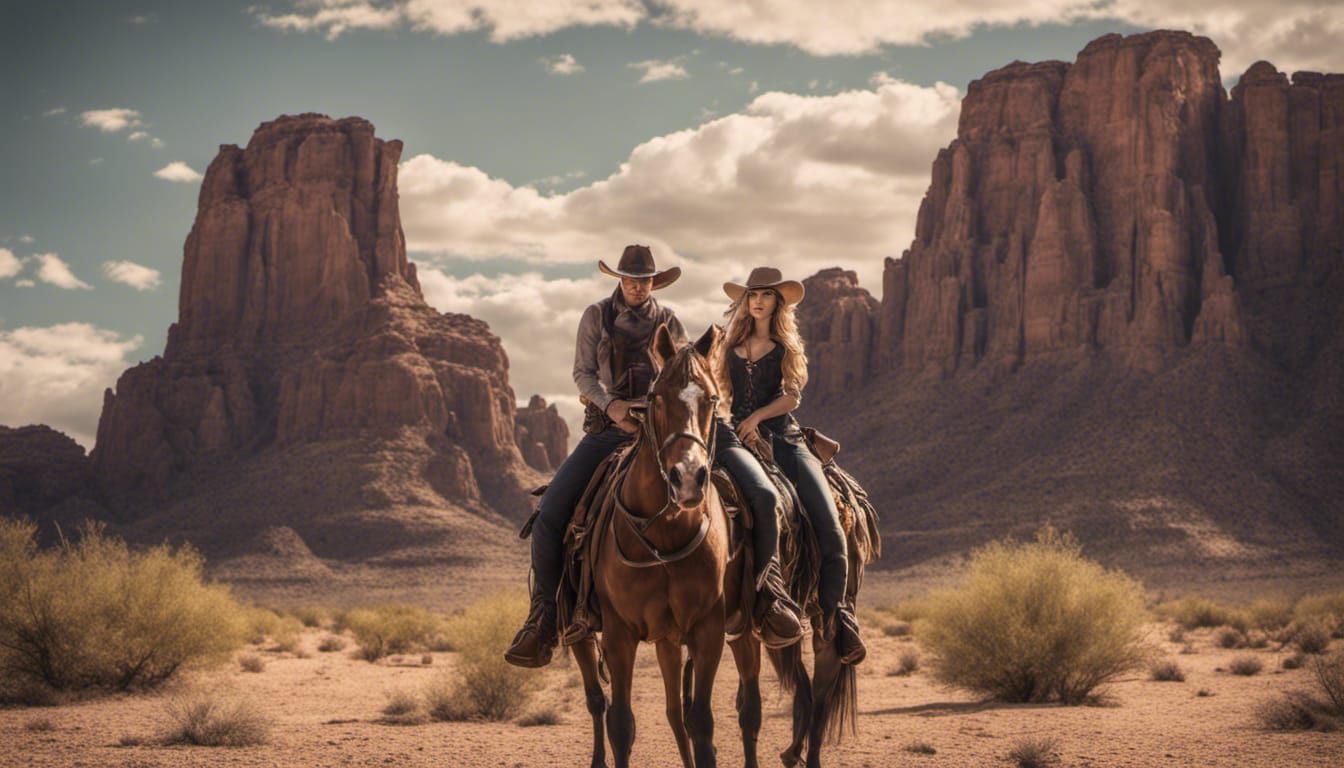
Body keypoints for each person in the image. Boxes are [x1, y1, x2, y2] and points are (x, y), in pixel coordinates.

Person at [505, 246, 804, 668]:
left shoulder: (669, 322)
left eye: (643, 279)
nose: (636, 285)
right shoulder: (595, 317)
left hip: (667, 427)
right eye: (629, 277)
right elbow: (582, 374)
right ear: (619, 280)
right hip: (609, 428)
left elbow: (681, 375)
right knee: (552, 511)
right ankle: (544, 618)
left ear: (653, 283)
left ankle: (768, 595)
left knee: (759, 494)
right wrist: (612, 408)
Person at [714, 266, 867, 665]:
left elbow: (792, 398)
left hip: (785, 437)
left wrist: (756, 419)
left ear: (778, 303)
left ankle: (838, 616)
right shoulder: (729, 348)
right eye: (752, 295)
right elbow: (718, 392)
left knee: (830, 521)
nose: (758, 301)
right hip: (736, 439)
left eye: (766, 295)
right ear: (745, 302)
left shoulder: (785, 347)